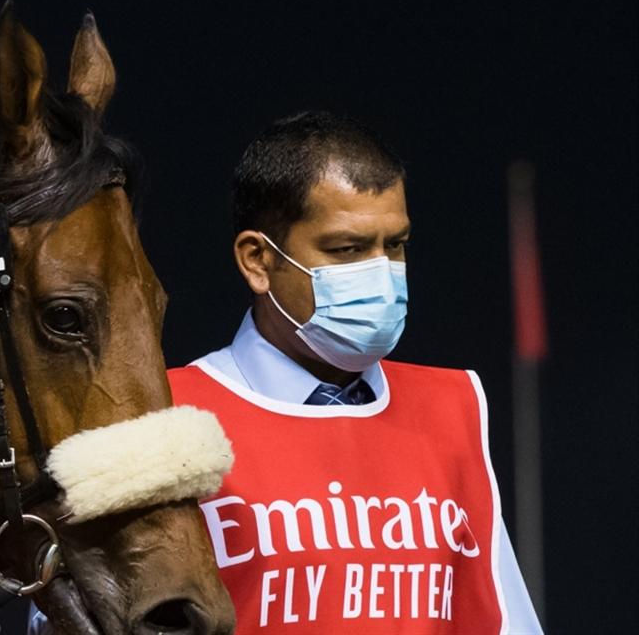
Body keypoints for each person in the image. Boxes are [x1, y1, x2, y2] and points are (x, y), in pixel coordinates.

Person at [169, 112, 543, 632]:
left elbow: (500, 618)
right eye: (348, 249)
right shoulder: (167, 418)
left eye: (395, 245)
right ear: (257, 260)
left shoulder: (451, 407)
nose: (382, 272)